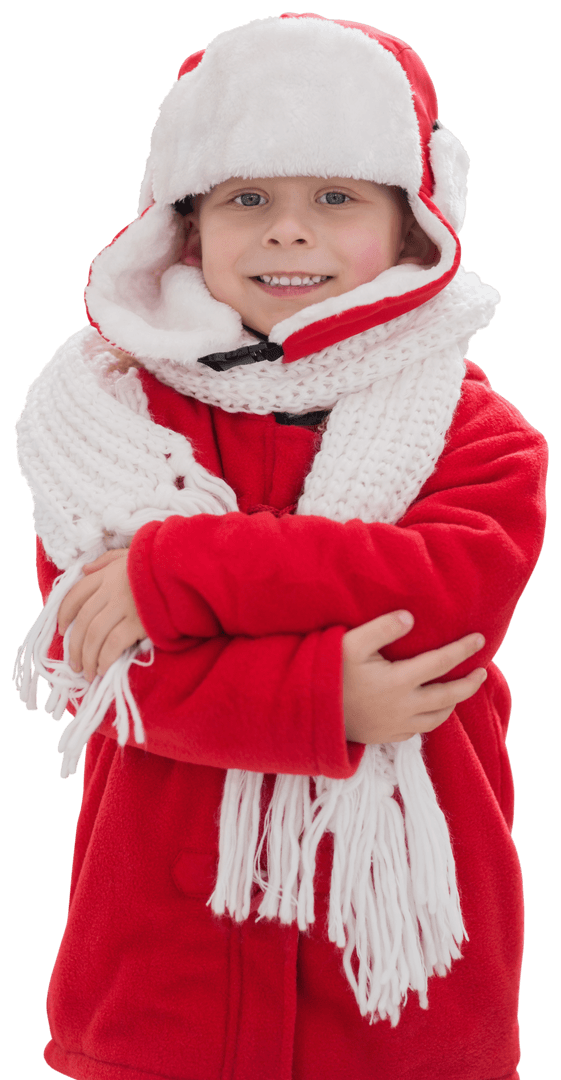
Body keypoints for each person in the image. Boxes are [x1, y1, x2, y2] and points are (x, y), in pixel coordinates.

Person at [14, 13, 547, 1080]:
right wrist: (321, 702)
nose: (286, 232)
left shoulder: (478, 432)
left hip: (395, 993)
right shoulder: (110, 426)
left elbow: (441, 603)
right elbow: (104, 667)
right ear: (184, 227)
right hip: (158, 979)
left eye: (336, 198)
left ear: (411, 229)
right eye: (247, 198)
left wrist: (177, 573)